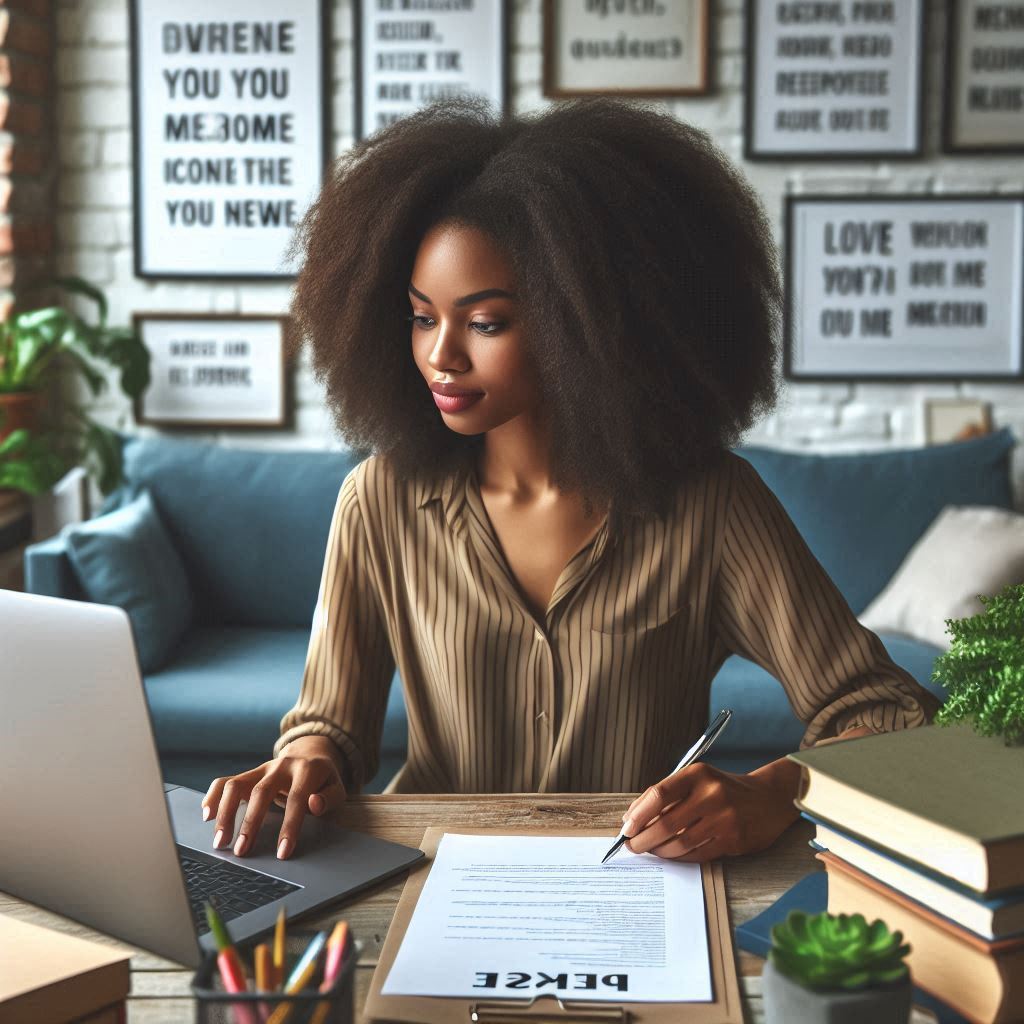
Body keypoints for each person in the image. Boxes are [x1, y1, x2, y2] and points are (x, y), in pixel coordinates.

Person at [202, 96, 940, 865]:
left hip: (638, 885)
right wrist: (309, 759)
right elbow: (329, 722)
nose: (440, 357)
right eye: (423, 317)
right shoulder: (379, 501)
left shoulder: (710, 506)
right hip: (430, 874)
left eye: (485, 323)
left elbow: (888, 714)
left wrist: (774, 792)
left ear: (589, 324)